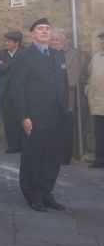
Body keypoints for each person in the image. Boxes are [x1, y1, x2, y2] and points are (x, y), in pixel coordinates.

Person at [9, 18, 68, 212]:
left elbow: (62, 85)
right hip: (35, 117)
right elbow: (16, 89)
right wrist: (23, 116)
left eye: (47, 29)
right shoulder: (24, 57)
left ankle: (46, 192)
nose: (44, 32)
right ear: (32, 34)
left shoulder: (58, 55)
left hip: (57, 117)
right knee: (33, 157)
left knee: (52, 157)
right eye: (40, 29)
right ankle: (32, 194)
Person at [50, 27, 87, 164]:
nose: (54, 42)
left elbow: (72, 80)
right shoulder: (47, 53)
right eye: (52, 39)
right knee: (52, 130)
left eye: (57, 39)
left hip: (67, 101)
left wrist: (50, 84)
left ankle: (65, 157)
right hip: (49, 102)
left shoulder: (73, 55)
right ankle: (53, 155)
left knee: (65, 131)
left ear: (63, 40)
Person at [0, 30, 24, 154]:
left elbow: (20, 69)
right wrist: (9, 66)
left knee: (22, 118)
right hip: (6, 92)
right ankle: (13, 145)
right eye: (5, 40)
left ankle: (24, 144)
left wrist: (6, 65)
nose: (5, 43)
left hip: (21, 92)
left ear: (16, 43)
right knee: (9, 120)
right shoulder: (2, 53)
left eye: (8, 41)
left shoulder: (24, 53)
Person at [86, 30, 104, 168]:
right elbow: (89, 76)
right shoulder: (96, 57)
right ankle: (100, 160)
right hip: (98, 103)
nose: (102, 42)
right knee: (99, 135)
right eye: (101, 39)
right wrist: (88, 91)